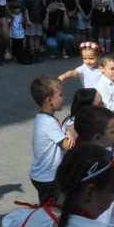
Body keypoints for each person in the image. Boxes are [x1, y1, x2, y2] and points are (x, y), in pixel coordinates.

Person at [29, 75, 75, 204]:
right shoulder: (48, 122)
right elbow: (67, 145)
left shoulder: (43, 118)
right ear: (49, 100)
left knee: (51, 208)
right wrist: (72, 129)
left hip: (43, 175)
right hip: (48, 178)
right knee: (52, 211)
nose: (64, 97)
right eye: (60, 95)